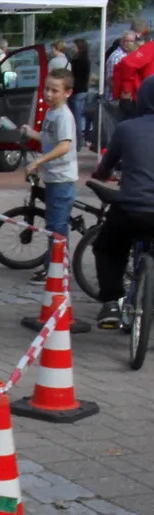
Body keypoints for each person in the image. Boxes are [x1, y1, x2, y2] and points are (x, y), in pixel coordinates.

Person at [91, 75, 154, 328]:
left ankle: (110, 303)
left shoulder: (126, 128)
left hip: (131, 208)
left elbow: (105, 166)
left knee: (106, 248)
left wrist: (103, 174)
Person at [21, 69, 78, 284]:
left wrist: (38, 161)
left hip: (62, 177)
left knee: (57, 226)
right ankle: (54, 264)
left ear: (67, 93)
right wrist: (31, 133)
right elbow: (48, 138)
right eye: (47, 88)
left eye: (55, 90)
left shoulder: (63, 115)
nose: (49, 94)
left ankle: (56, 268)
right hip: (53, 176)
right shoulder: (51, 112)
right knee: (54, 223)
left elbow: (64, 145)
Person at [70, 38, 91, 136]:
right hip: (84, 89)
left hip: (76, 90)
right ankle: (81, 136)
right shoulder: (86, 59)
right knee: (80, 114)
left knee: (76, 116)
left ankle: (78, 138)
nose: (72, 48)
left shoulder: (76, 61)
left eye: (74, 46)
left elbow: (73, 76)